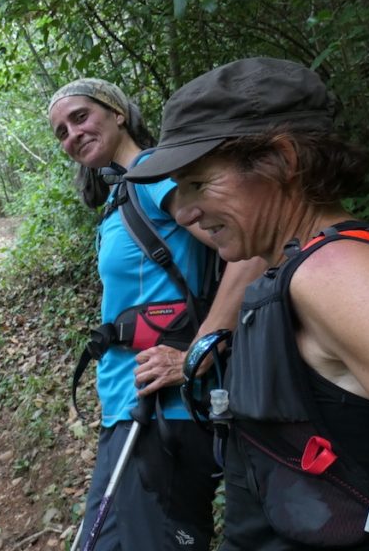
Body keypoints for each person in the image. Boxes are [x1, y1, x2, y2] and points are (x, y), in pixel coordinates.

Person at [125, 57, 369, 550]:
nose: (184, 210)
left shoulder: (340, 276)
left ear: (283, 159)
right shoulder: (293, 272)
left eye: (198, 183)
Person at [48, 79, 265, 550]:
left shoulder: (153, 174)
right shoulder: (122, 192)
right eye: (61, 131)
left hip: (163, 412)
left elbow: (251, 249)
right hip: (129, 405)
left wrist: (198, 352)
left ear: (118, 112)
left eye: (80, 117)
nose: (72, 134)